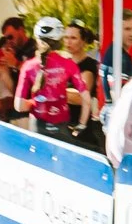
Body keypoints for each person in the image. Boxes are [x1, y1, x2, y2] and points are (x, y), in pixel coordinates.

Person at [14, 16, 92, 144]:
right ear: (59, 40)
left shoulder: (28, 66)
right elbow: (86, 100)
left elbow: (19, 106)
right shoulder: (68, 63)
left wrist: (34, 102)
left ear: (36, 39)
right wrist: (81, 125)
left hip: (37, 127)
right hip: (61, 127)